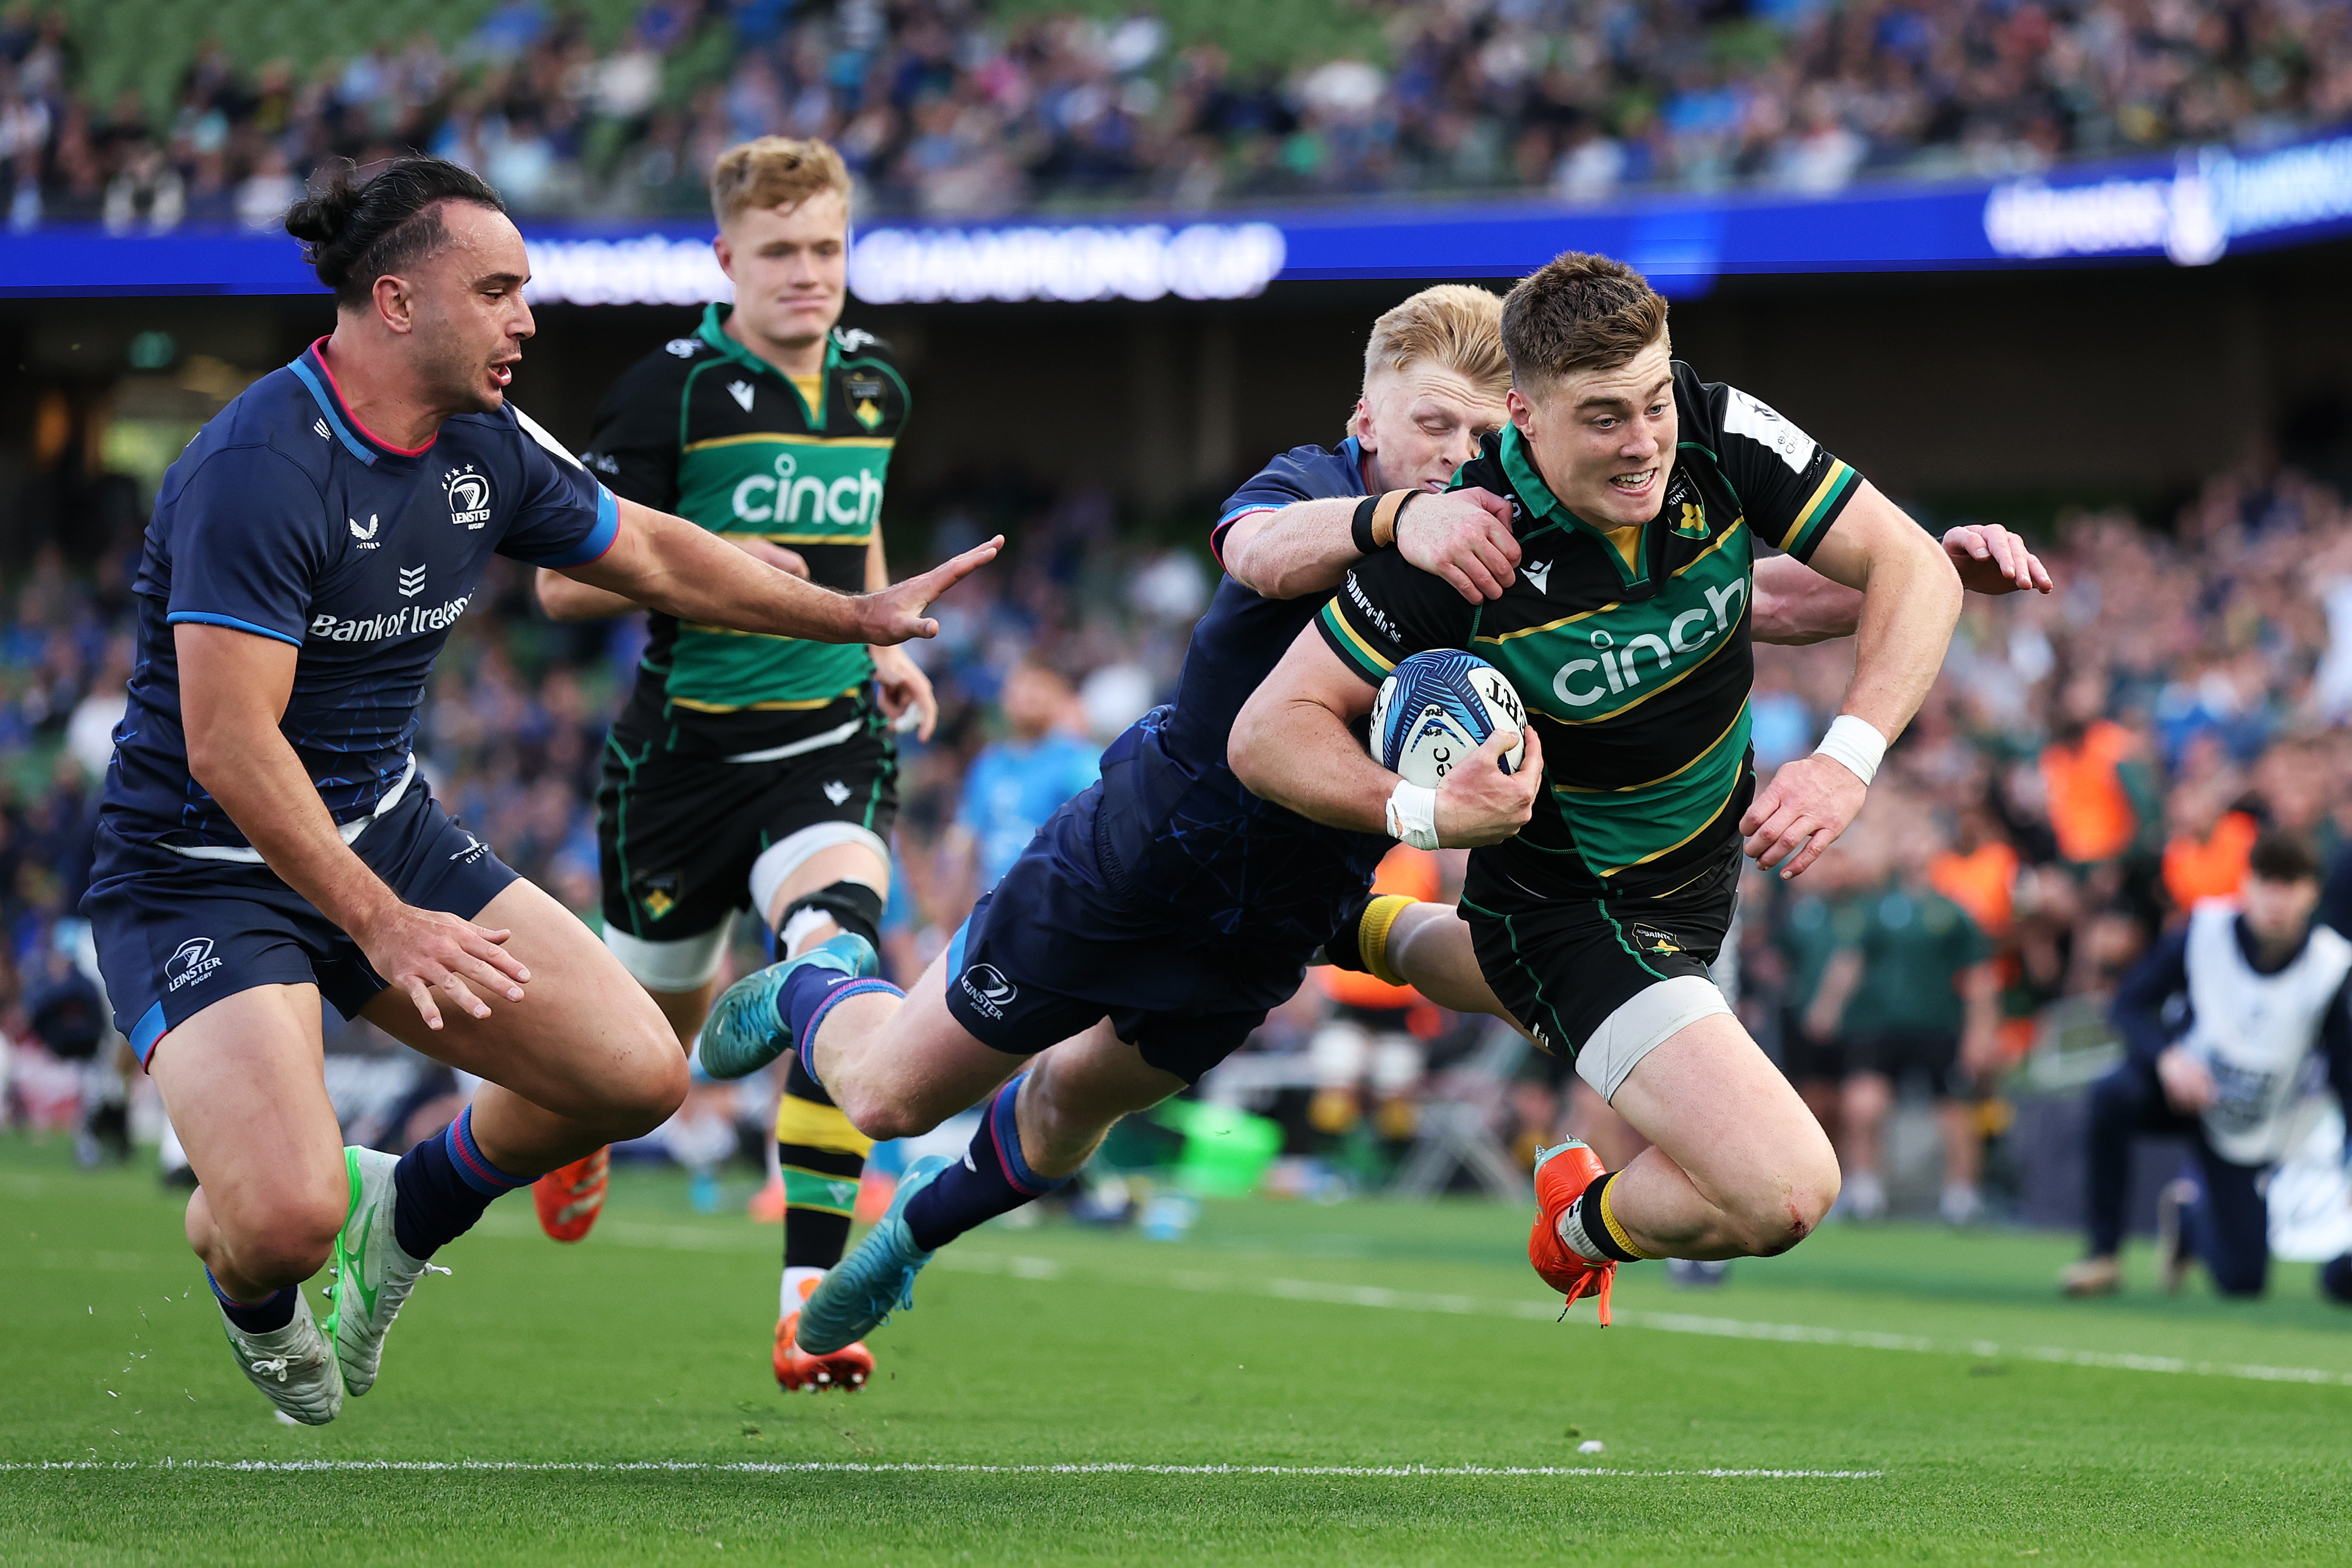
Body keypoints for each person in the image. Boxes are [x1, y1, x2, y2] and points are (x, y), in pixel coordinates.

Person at [692, 279, 2048, 1360]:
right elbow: (1257, 561)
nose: (1463, 457)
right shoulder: (1332, 499)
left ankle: (905, 1241)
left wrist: (1920, 577)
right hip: (1161, 846)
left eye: (1475, 435)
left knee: (1072, 1115)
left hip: (1303, 883)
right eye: (1436, 430)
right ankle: (816, 975)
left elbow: (1740, 597)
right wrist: (1399, 521)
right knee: (888, 1089)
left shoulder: (1602, 491)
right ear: (1370, 417)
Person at [82, 154, 996, 1427]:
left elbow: (655, 551)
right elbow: (232, 751)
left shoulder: (486, 441)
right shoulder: (259, 467)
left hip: (385, 836)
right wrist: (383, 924)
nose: (527, 317)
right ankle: (259, 1251)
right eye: (500, 289)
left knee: (633, 1075)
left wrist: (854, 614)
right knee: (282, 1222)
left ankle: (396, 1207)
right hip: (204, 873)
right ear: (396, 302)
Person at [1229, 251, 1971, 1318]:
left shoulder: (1717, 434)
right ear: (1522, 414)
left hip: (1702, 870)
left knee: (1703, 1158)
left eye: (1655, 401)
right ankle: (1571, 1227)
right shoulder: (1466, 542)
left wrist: (1842, 758)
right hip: (1575, 910)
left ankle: (1360, 934)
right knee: (1784, 1190)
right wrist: (1427, 815)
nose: (1643, 443)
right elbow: (1267, 733)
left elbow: (1902, 568)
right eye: (1604, 417)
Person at [533, 136, 937, 1394]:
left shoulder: (875, 386)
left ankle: (807, 1304)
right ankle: (581, 1123)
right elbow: (559, 582)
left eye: (826, 247)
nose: (809, 274)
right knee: (642, 1064)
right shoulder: (669, 393)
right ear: (726, 259)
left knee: (839, 957)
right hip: (682, 768)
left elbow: (857, 508)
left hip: (824, 746)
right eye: (780, 252)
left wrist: (876, 638)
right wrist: (723, 552)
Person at [2062, 832, 2352, 1303]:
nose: (2274, 898)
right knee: (2111, 1094)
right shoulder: (2203, 931)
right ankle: (2103, 1253)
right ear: (2246, 884)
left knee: (2244, 1282)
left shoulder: (2330, 966)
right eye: (2265, 882)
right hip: (2180, 1091)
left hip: (2243, 1124)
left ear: (2311, 892)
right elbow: (2129, 1006)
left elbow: (2346, 1074)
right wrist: (2167, 1057)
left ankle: (2191, 1227)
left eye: (2289, 884)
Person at [1807, 813, 2000, 1224]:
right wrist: (1827, 1007)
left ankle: (1961, 1196)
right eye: (1907, 838)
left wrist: (1980, 1035)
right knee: (1863, 1106)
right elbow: (1850, 962)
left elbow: (1980, 980)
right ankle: (1864, 1192)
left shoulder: (1954, 911)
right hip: (1882, 1025)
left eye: (1922, 837)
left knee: (1953, 1112)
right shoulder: (1877, 910)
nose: (1914, 848)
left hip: (1939, 1025)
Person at [940, 658, 1101, 917]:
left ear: (1059, 696)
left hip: (1054, 916)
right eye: (1020, 684)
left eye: (1039, 686)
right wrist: (951, 920)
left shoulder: (1078, 763)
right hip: (994, 913)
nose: (1028, 694)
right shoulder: (989, 764)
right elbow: (965, 842)